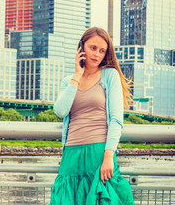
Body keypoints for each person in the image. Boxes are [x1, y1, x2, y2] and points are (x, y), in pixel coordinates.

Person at [50, 27, 135, 205]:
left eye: (102, 50)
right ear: (81, 48)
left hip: (99, 152)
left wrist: (108, 157)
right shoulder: (69, 80)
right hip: (71, 154)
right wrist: (77, 75)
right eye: (93, 48)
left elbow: (116, 120)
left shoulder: (109, 75)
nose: (97, 54)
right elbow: (60, 111)